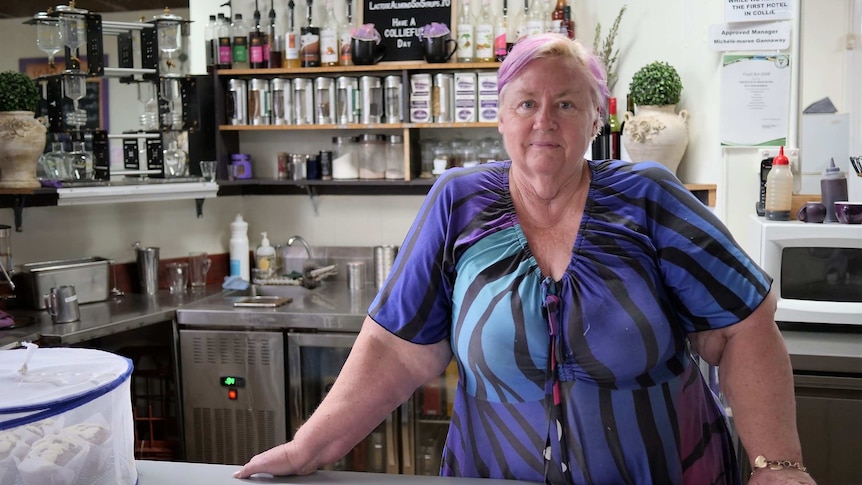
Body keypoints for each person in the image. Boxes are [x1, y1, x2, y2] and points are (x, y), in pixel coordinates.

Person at [234, 33, 815, 485]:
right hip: (493, 477)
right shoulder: (456, 203)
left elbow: (745, 327)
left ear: (596, 119)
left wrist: (778, 465)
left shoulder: (650, 198)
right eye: (526, 103)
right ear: (500, 116)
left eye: (566, 103)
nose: (544, 120)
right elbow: (395, 350)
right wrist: (308, 447)